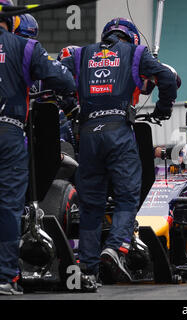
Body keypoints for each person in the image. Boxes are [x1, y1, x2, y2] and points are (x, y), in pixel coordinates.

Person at [61, 17, 178, 290]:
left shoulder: (81, 54)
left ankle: (87, 270)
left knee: (91, 205)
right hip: (119, 133)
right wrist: (163, 108)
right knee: (127, 195)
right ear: (132, 38)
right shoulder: (136, 53)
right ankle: (115, 247)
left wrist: (71, 110)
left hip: (88, 135)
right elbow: (169, 78)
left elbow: (56, 78)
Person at [0, 0, 77, 295]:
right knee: (8, 207)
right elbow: (66, 80)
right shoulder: (25, 48)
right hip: (8, 130)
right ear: (15, 23)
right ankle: (6, 277)